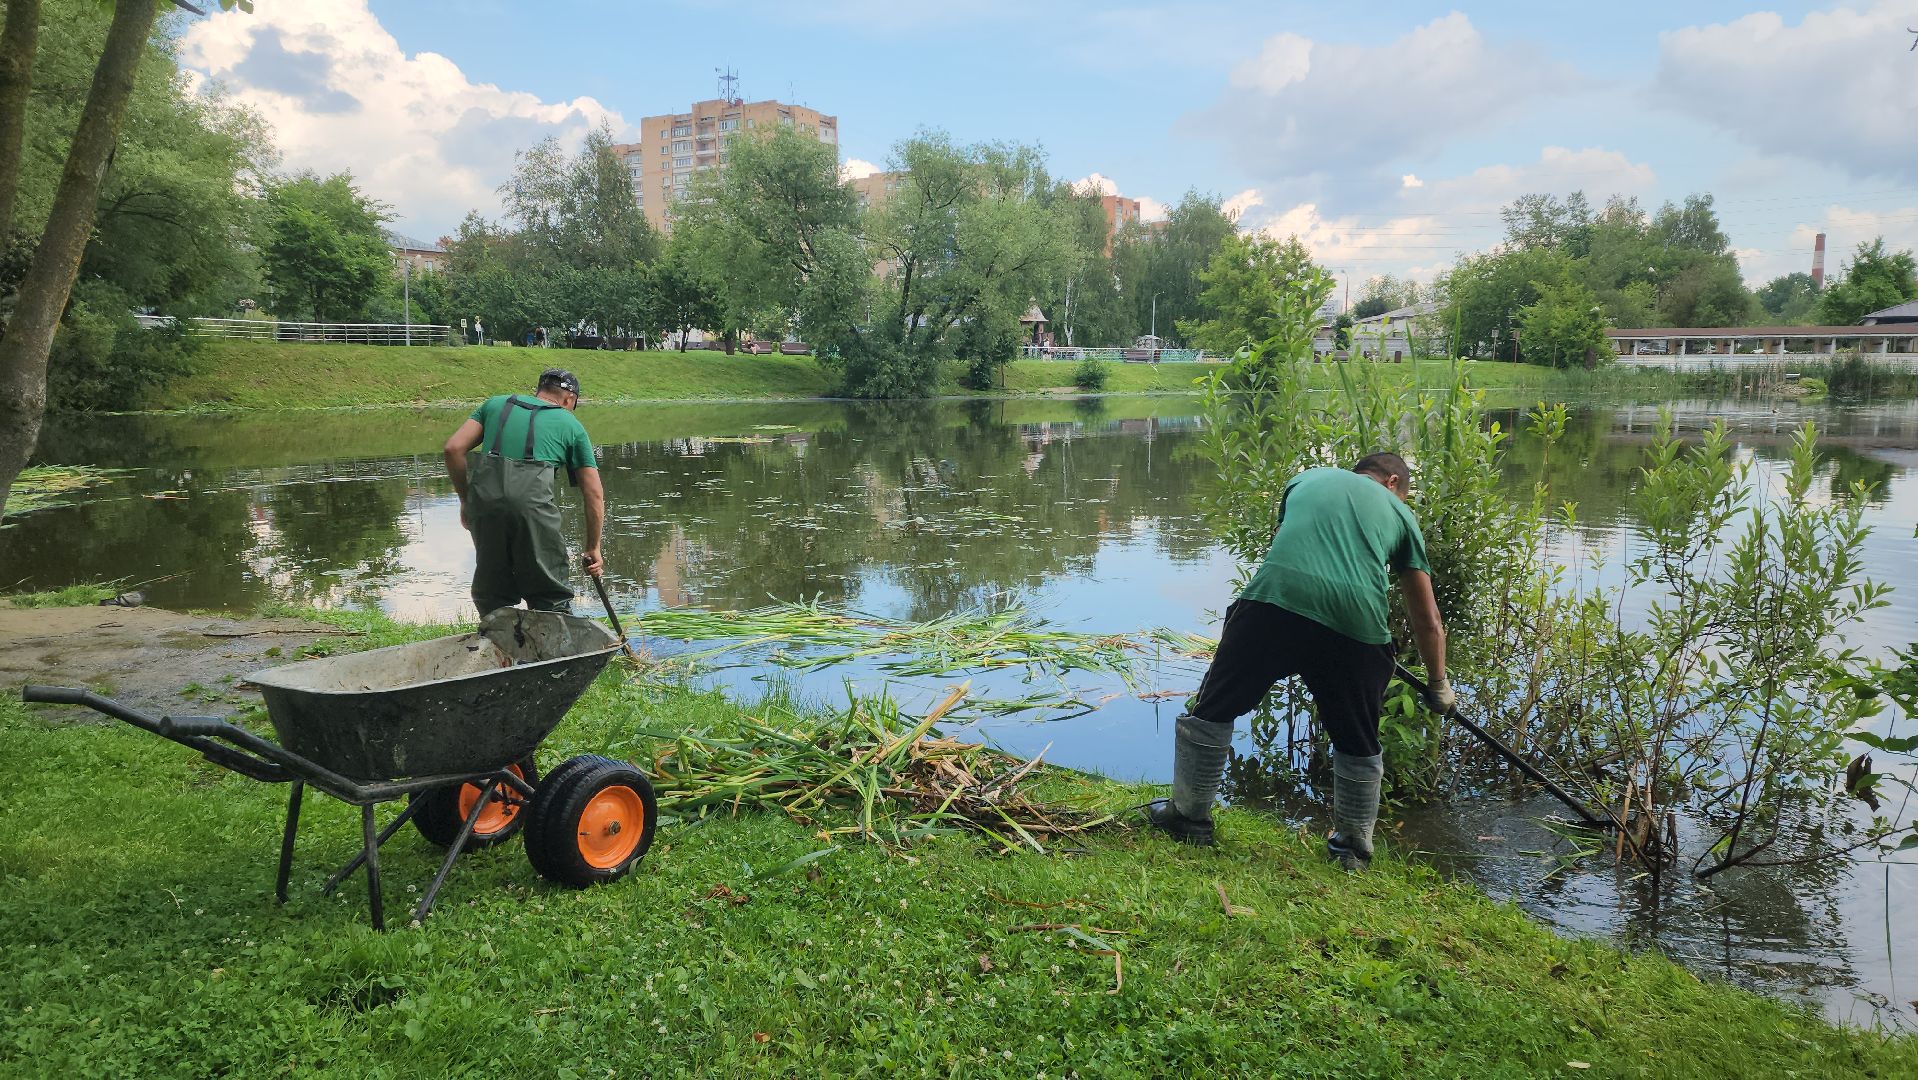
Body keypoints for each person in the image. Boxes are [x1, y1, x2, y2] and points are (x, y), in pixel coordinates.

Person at [1145, 452, 1452, 870]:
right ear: (1394, 481)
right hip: (1355, 623)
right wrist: (1438, 684)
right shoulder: (1400, 513)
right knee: (1357, 738)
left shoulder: (1306, 479)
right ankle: (1352, 850)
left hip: (1274, 603)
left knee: (1213, 708)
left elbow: (1291, 548)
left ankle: (1189, 818)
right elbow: (1428, 619)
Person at [442, 369, 604, 617]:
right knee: (549, 593)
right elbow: (593, 494)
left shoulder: (495, 404)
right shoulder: (571, 424)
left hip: (485, 506)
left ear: (539, 390)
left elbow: (453, 448)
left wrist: (467, 501)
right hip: (532, 510)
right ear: (569, 400)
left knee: (492, 592)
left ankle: (498, 649)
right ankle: (553, 650)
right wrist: (593, 547)